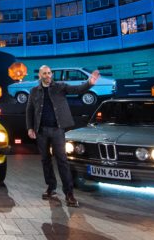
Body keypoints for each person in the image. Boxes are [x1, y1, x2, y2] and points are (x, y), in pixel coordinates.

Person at [26, 65, 100, 208]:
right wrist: (30, 128)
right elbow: (29, 110)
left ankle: (69, 194)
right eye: (44, 73)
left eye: (49, 73)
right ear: (40, 76)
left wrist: (89, 83)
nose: (47, 75)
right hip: (41, 131)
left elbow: (77, 89)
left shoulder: (60, 87)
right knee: (45, 160)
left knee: (62, 161)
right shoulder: (34, 91)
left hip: (57, 130)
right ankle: (51, 188)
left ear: (51, 74)